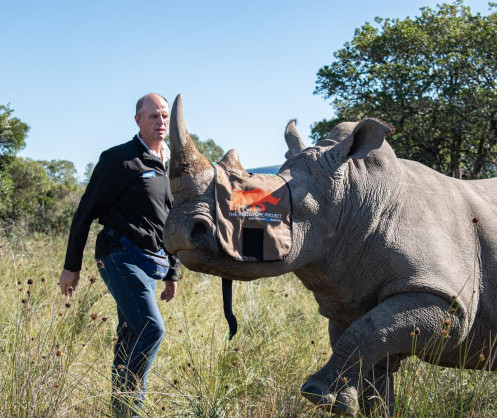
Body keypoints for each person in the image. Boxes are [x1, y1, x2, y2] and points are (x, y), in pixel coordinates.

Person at [59, 93, 180, 416]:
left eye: (165, 115)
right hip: (118, 254)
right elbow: (84, 213)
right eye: (153, 116)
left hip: (151, 261)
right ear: (138, 120)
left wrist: (172, 271)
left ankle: (119, 410)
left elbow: (171, 220)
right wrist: (71, 267)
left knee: (129, 336)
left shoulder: (170, 164)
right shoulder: (119, 159)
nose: (161, 121)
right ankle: (131, 405)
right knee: (151, 328)